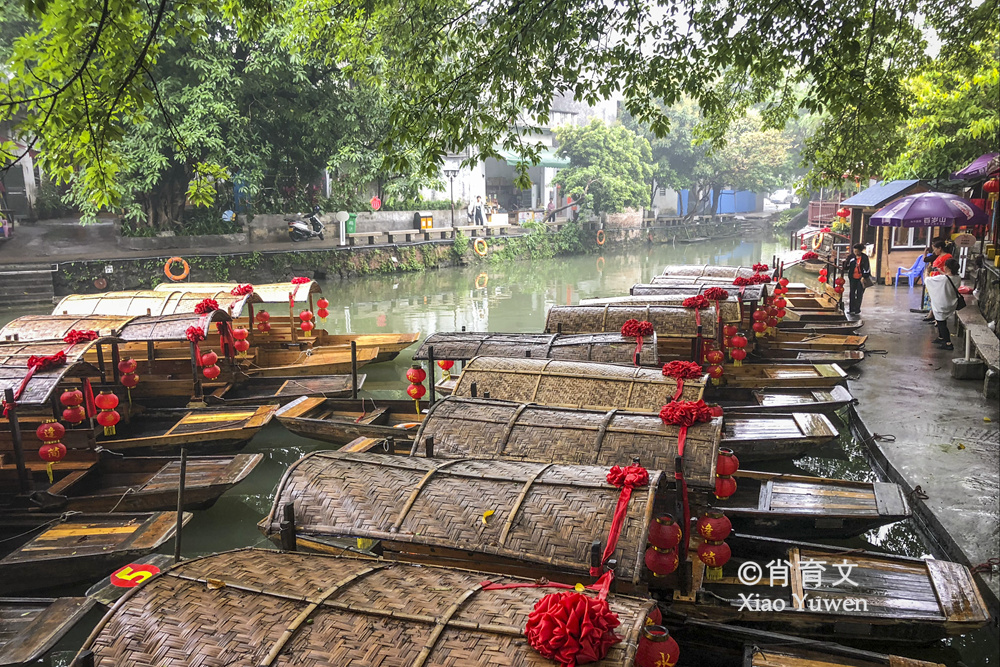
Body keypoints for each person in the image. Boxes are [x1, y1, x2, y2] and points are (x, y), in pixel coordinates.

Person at [925, 258, 961, 350]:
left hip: (941, 304)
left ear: (947, 267)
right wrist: (941, 271)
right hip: (951, 302)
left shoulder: (942, 279)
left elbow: (927, 280)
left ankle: (948, 343)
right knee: (943, 320)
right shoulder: (957, 278)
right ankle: (941, 338)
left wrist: (927, 271)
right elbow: (948, 278)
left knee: (941, 323)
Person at [841, 243, 871, 314]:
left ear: (860, 251)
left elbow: (867, 268)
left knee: (859, 293)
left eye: (857, 251)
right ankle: (851, 309)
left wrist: (864, 276)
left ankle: (857, 309)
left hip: (861, 278)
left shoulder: (864, 257)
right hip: (852, 277)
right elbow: (846, 267)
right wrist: (845, 263)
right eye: (854, 251)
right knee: (852, 293)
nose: (856, 253)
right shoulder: (851, 257)